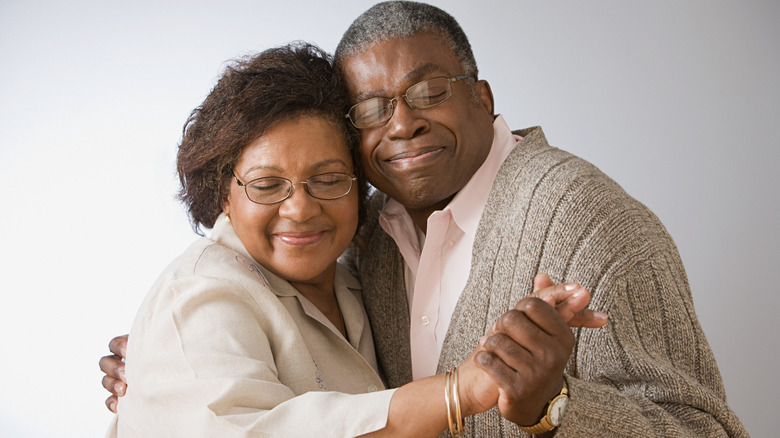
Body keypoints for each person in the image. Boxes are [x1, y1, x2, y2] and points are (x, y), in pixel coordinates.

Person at [102, 1, 747, 436]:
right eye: (372, 107)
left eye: (429, 92)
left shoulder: (588, 222)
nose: (402, 123)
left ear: (484, 96)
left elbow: (704, 430)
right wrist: (173, 366)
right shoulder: (369, 237)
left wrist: (554, 410)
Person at [103, 41, 602, 438]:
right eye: (267, 185)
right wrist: (462, 390)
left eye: (328, 179)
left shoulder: (358, 277)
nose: (300, 209)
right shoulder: (200, 299)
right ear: (222, 195)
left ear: (360, 184)